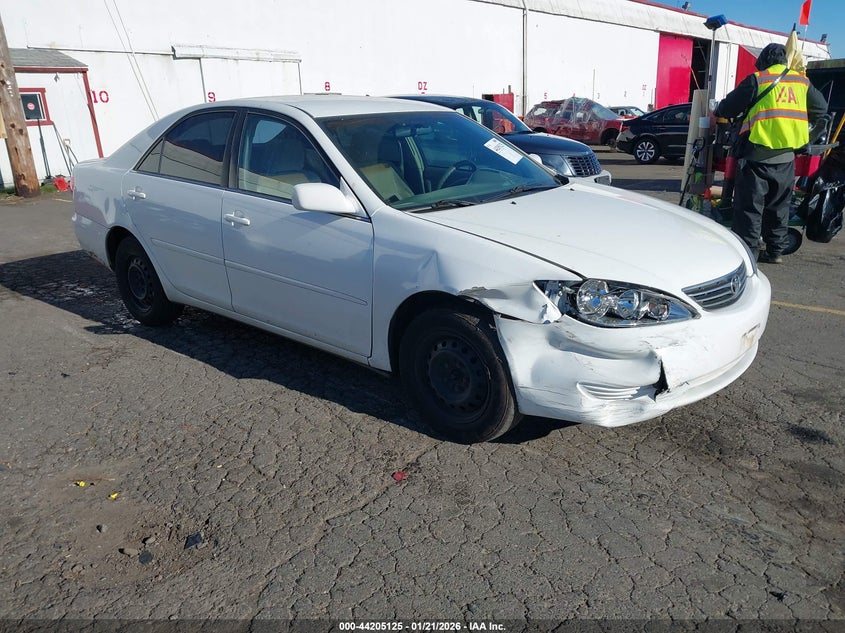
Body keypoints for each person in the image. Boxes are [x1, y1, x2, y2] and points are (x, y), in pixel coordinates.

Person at [714, 43, 828, 263]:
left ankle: (749, 254)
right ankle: (775, 252)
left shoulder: (758, 80)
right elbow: (821, 110)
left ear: (764, 60)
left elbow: (727, 109)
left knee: (750, 208)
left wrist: (718, 109)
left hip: (756, 155)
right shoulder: (801, 82)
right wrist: (803, 134)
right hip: (786, 158)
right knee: (779, 207)